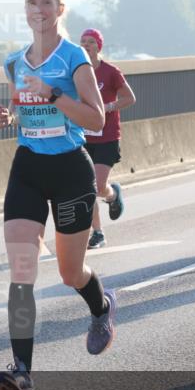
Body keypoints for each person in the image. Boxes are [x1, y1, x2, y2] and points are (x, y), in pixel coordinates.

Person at [0, 0, 114, 390]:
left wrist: (56, 93)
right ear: (24, 10)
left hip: (70, 171)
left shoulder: (75, 58)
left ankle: (100, 309)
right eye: (30, 2)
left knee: (69, 273)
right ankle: (22, 374)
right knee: (21, 273)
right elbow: (23, 112)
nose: (37, 8)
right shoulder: (15, 63)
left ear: (59, 9)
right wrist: (9, 116)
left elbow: (95, 120)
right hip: (28, 167)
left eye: (46, 2)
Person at [79, 28, 136, 249]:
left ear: (98, 46)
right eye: (83, 41)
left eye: (91, 42)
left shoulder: (110, 71)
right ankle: (98, 233)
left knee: (99, 186)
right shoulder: (76, 72)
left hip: (107, 136)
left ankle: (112, 195)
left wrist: (108, 107)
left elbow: (130, 98)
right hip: (83, 136)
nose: (86, 45)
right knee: (88, 186)